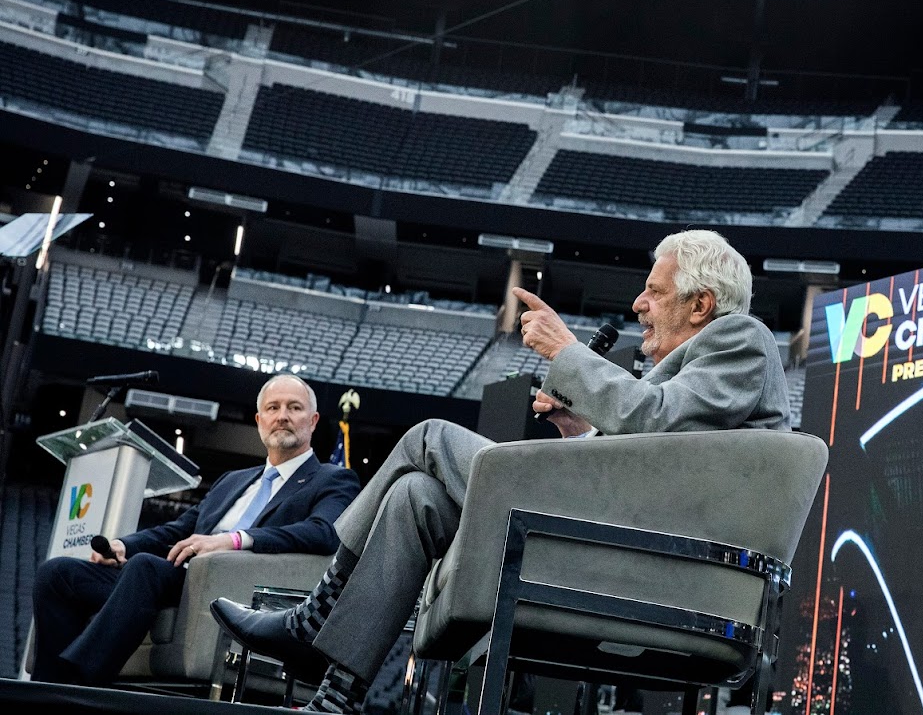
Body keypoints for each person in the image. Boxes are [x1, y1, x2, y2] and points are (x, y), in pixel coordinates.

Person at [211, 229, 790, 714]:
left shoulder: (742, 340)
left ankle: (312, 620)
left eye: (653, 291)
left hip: (650, 567)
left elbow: (653, 421)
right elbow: (651, 454)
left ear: (701, 304)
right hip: (619, 548)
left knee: (427, 437)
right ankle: (338, 695)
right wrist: (579, 428)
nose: (638, 304)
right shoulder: (702, 369)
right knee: (417, 497)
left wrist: (567, 350)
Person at [29, 373, 361, 686]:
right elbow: (179, 530)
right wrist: (124, 546)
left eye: (295, 407)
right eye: (272, 408)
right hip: (173, 579)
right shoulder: (233, 480)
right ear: (260, 421)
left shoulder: (333, 479)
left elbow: (323, 532)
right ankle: (46, 684)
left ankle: (78, 682)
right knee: (57, 573)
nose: (282, 416)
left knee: (146, 567)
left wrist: (234, 540)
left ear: (313, 421)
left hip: (234, 586)